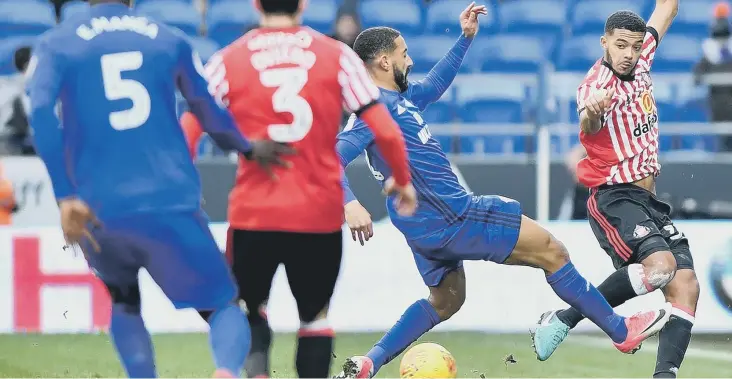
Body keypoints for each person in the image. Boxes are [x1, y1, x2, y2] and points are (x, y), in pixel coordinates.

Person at [335, 3, 672, 378]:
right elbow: (331, 158)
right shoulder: (372, 112)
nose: (410, 61)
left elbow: (433, 85)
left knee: (446, 300)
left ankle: (369, 362)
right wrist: (349, 203)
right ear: (383, 62)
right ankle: (620, 330)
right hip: (454, 214)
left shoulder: (400, 101)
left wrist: (464, 40)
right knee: (552, 251)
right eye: (404, 54)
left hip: (423, 226)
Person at [25, 0, 291, 377]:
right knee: (224, 304)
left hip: (98, 207)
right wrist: (245, 146)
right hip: (169, 200)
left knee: (123, 299)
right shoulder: (169, 39)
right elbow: (206, 108)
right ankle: (227, 372)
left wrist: (65, 195)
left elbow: (40, 115)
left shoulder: (57, 43)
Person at [178, 0, 416, 377]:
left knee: (249, 311)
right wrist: (402, 180)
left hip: (254, 214)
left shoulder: (228, 60)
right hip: (317, 215)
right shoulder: (337, 56)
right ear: (303, 4)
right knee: (314, 319)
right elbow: (385, 128)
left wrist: (182, 186)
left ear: (256, 4)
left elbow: (190, 128)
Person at [530, 1, 700, 378]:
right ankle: (563, 318)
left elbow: (667, 9)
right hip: (614, 197)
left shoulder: (641, 61)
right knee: (662, 267)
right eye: (620, 45)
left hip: (648, 200)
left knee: (686, 286)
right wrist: (593, 110)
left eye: (634, 46)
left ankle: (664, 376)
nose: (627, 54)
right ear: (604, 42)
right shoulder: (594, 87)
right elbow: (589, 125)